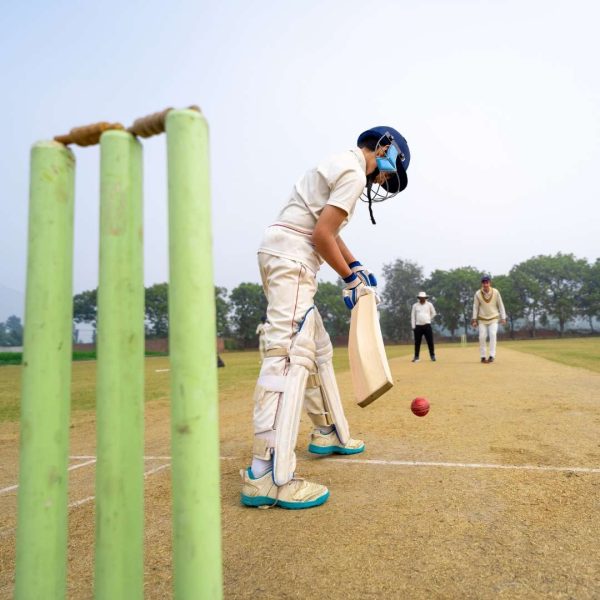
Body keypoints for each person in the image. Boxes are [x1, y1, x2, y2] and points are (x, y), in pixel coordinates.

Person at [240, 126, 410, 509]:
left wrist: (355, 264)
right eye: (388, 172)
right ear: (385, 148)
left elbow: (327, 230)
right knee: (287, 356)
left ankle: (328, 432)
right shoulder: (353, 172)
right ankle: (266, 474)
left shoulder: (341, 164)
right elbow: (321, 234)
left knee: (316, 349)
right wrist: (350, 280)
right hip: (294, 259)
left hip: (284, 253)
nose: (383, 180)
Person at [471, 274, 507, 363]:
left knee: (493, 334)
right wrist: (474, 320)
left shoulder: (496, 292)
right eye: (483, 282)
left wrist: (503, 317)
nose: (485, 284)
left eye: (487, 282)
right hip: (482, 318)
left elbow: (500, 304)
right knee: (482, 337)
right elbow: (475, 307)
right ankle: (483, 356)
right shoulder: (477, 294)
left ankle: (492, 355)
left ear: (489, 283)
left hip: (494, 317)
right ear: (481, 284)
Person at [410, 291, 436, 362]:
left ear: (425, 298)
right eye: (421, 298)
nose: (422, 299)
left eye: (423, 298)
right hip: (418, 326)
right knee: (417, 342)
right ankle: (416, 356)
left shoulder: (429, 305)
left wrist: (428, 319)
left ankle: (432, 356)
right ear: (419, 298)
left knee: (430, 341)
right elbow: (413, 316)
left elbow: (434, 313)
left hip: (427, 325)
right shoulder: (415, 305)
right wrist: (413, 326)